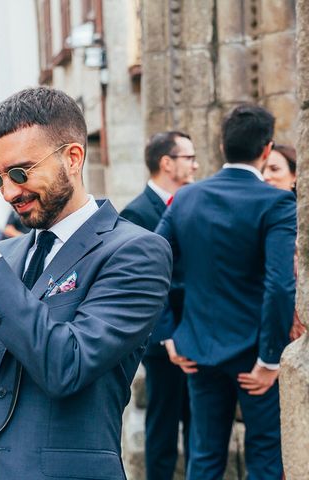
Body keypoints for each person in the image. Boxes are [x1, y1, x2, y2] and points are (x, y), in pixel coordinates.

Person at [0, 87, 172, 479]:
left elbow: (67, 365)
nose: (9, 192)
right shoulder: (4, 255)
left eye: (21, 173)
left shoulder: (136, 252)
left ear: (73, 158)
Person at [156, 105, 296, 479]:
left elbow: (148, 267)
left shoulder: (185, 198)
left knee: (203, 458)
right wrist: (270, 360)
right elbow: (280, 285)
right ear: (266, 150)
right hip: (255, 355)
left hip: (199, 349)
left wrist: (169, 335)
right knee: (265, 459)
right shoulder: (278, 203)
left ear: (221, 145)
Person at [119, 131, 197, 480]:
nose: (196, 164)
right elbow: (145, 286)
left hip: (197, 334)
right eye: (189, 157)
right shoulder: (136, 213)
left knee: (198, 422)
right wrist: (166, 336)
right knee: (163, 424)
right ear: (167, 163)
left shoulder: (193, 202)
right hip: (162, 339)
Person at [262, 144, 305, 341]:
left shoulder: (302, 218)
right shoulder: (258, 219)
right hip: (265, 327)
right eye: (262, 169)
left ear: (295, 175)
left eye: (274, 169)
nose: (266, 176)